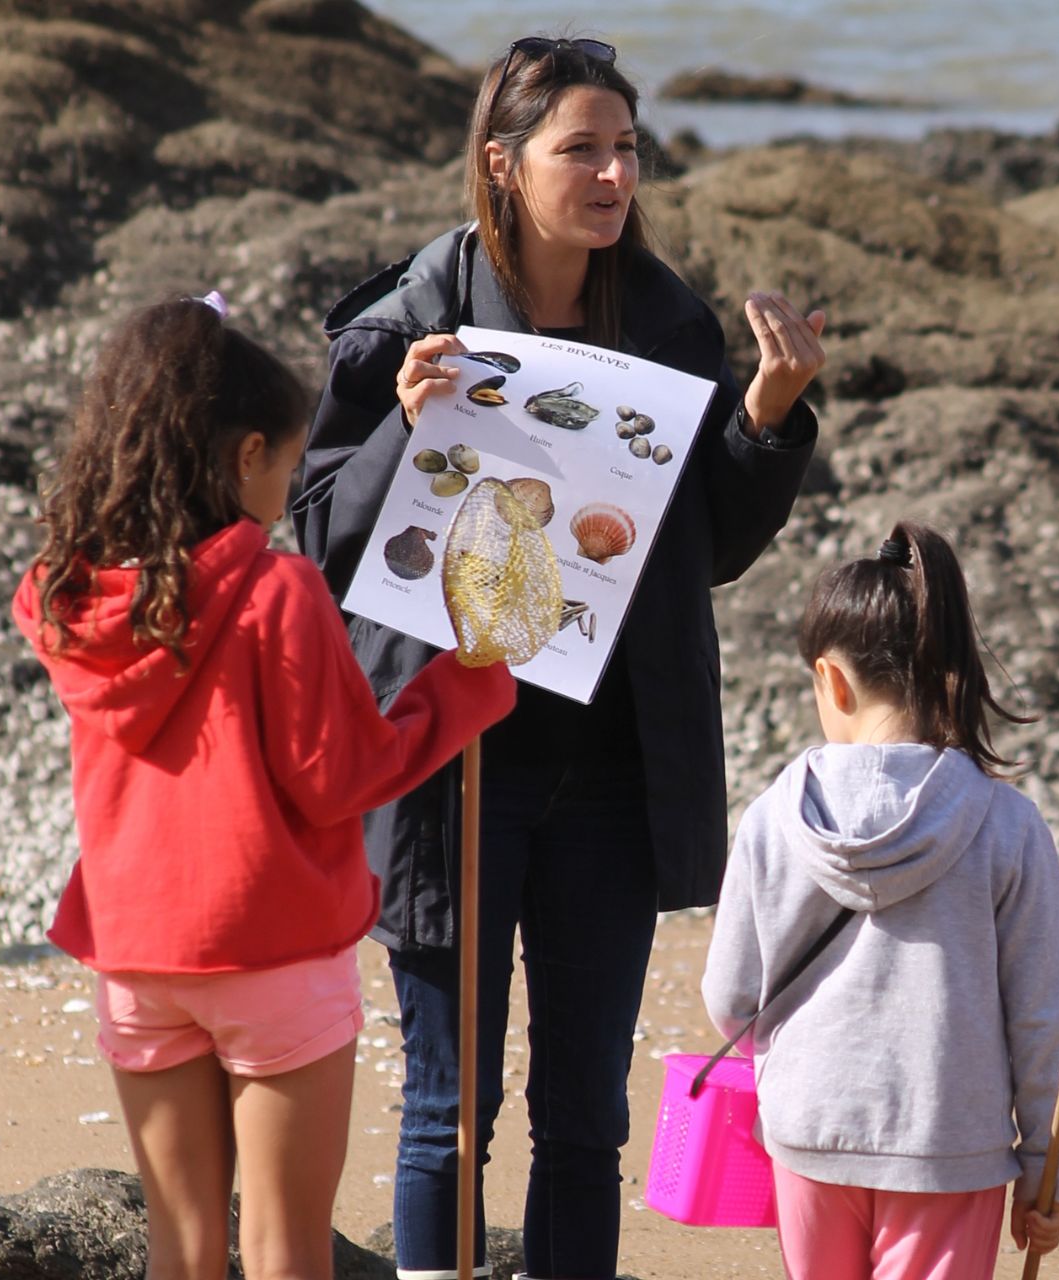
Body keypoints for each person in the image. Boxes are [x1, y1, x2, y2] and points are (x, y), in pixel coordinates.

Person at [291, 35, 827, 1280]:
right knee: (447, 1108)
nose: (612, 174)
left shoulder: (672, 323)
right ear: (502, 161)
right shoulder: (414, 314)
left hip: (611, 774)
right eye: (580, 147)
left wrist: (762, 421)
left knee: (586, 1119)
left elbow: (707, 549)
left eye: (626, 148)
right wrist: (408, 431)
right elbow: (317, 532)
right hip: (447, 765)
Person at [10, 295, 515, 1280]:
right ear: (246, 456)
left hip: (136, 950)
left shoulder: (66, 592)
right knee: (287, 1247)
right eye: (287, 464)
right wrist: (464, 684)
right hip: (274, 944)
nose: (290, 487)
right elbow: (342, 777)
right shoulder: (278, 590)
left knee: (182, 1245)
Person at [701, 521, 1059, 1280]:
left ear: (830, 681)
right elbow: (1041, 1017)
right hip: (949, 1140)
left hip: (809, 1127)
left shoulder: (775, 814)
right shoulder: (1005, 823)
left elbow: (731, 995)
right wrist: (1047, 1165)